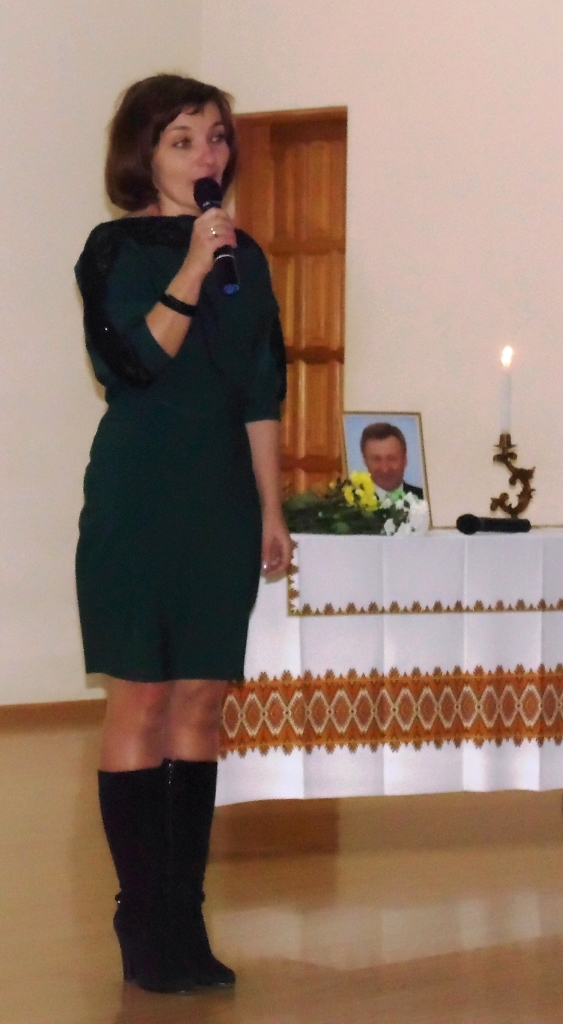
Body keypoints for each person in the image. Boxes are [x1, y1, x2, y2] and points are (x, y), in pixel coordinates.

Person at [75, 74, 292, 994]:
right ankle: (141, 916)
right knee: (142, 702)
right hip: (138, 499)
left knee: (201, 702)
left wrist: (272, 509)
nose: (209, 154)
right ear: (146, 155)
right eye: (184, 140)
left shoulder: (253, 256)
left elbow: (260, 388)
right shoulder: (113, 251)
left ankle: (183, 914)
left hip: (221, 501)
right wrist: (194, 267)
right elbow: (130, 364)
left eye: (217, 137)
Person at [359, 422, 424, 500]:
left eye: (391, 459)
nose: (385, 469)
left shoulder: (426, 498)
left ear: (405, 459)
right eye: (376, 460)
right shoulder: (351, 504)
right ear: (365, 461)